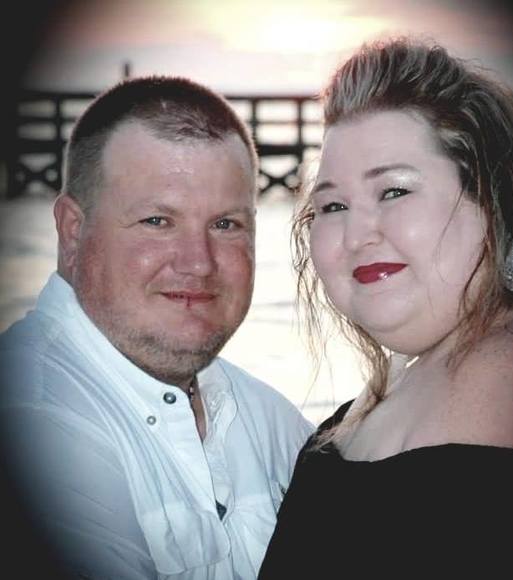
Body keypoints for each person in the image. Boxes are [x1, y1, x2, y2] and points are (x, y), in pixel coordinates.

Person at [258, 37, 513, 579]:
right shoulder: (418, 367)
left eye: (394, 191)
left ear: (490, 198)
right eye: (332, 205)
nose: (357, 234)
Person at [0, 75, 313, 579]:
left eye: (226, 224)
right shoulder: (29, 420)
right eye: (157, 221)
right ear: (73, 232)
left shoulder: (266, 417)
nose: (198, 263)